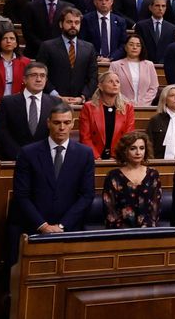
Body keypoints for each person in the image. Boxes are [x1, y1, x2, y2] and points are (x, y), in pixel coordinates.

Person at [10, 104, 94, 237]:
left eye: (66, 123)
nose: (62, 128)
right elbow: (21, 195)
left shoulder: (85, 154)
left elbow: (87, 195)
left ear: (72, 124)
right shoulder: (28, 153)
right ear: (48, 123)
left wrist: (62, 225)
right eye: (57, 122)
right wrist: (43, 225)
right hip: (32, 227)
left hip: (69, 228)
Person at [101, 130, 162, 228]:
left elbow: (155, 208)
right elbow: (109, 210)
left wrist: (147, 229)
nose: (138, 152)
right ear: (125, 151)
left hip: (148, 232)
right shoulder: (113, 176)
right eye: (133, 148)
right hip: (120, 233)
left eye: (142, 148)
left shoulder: (153, 174)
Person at [77, 70, 135, 161]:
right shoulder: (88, 107)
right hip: (94, 157)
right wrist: (96, 157)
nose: (115, 84)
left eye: (117, 82)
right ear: (100, 86)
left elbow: (129, 136)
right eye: (110, 81)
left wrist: (115, 156)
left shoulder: (128, 108)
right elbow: (85, 137)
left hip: (118, 157)